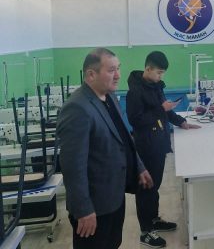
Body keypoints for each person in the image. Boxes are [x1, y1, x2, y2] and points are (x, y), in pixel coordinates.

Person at [57, 48, 154, 249]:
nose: (118, 75)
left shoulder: (109, 97)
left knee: (113, 243)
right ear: (91, 74)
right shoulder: (77, 108)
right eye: (111, 70)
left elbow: (124, 138)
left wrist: (139, 166)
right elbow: (73, 167)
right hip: (94, 207)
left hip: (114, 197)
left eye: (118, 68)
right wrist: (83, 209)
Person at [126, 51, 200, 248]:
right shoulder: (135, 91)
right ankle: (145, 232)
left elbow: (166, 111)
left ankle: (154, 220)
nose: (161, 76)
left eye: (162, 73)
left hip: (159, 143)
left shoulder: (156, 86)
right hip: (146, 146)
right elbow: (135, 120)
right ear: (148, 69)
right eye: (159, 72)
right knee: (146, 188)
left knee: (155, 185)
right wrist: (162, 109)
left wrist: (182, 122)